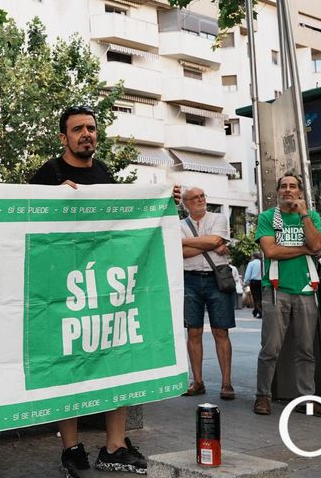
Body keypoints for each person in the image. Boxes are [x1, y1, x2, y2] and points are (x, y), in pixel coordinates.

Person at [29, 106, 180, 477]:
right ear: (63, 137)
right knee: (68, 365)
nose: (86, 134)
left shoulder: (104, 175)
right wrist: (52, 200)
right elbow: (25, 217)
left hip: (106, 290)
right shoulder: (48, 174)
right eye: (78, 128)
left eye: (91, 128)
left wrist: (160, 203)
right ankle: (72, 449)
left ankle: (114, 446)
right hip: (64, 290)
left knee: (118, 359)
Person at [253, 174, 321, 417]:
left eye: (292, 186)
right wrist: (304, 249)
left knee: (305, 349)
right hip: (276, 288)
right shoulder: (267, 217)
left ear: (299, 192)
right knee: (270, 348)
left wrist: (304, 215)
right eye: (283, 186)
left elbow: (317, 246)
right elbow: (270, 250)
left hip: (306, 289)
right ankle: (263, 396)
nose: (287, 190)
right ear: (277, 192)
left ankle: (307, 399)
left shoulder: (311, 217)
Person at [180, 187, 236, 401]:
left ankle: (227, 383)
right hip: (189, 279)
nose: (201, 199)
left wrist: (188, 242)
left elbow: (213, 241)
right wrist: (211, 244)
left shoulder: (219, 218)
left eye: (203, 196)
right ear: (186, 203)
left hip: (216, 278)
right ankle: (198, 381)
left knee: (221, 331)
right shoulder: (178, 225)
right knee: (193, 332)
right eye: (195, 198)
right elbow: (180, 251)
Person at [243, 251, 263, 318]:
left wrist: (245, 281)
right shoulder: (262, 263)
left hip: (254, 282)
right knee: (261, 297)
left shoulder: (251, 263)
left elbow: (248, 273)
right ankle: (256, 311)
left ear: (253, 256)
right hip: (262, 282)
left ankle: (260, 312)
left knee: (256, 297)